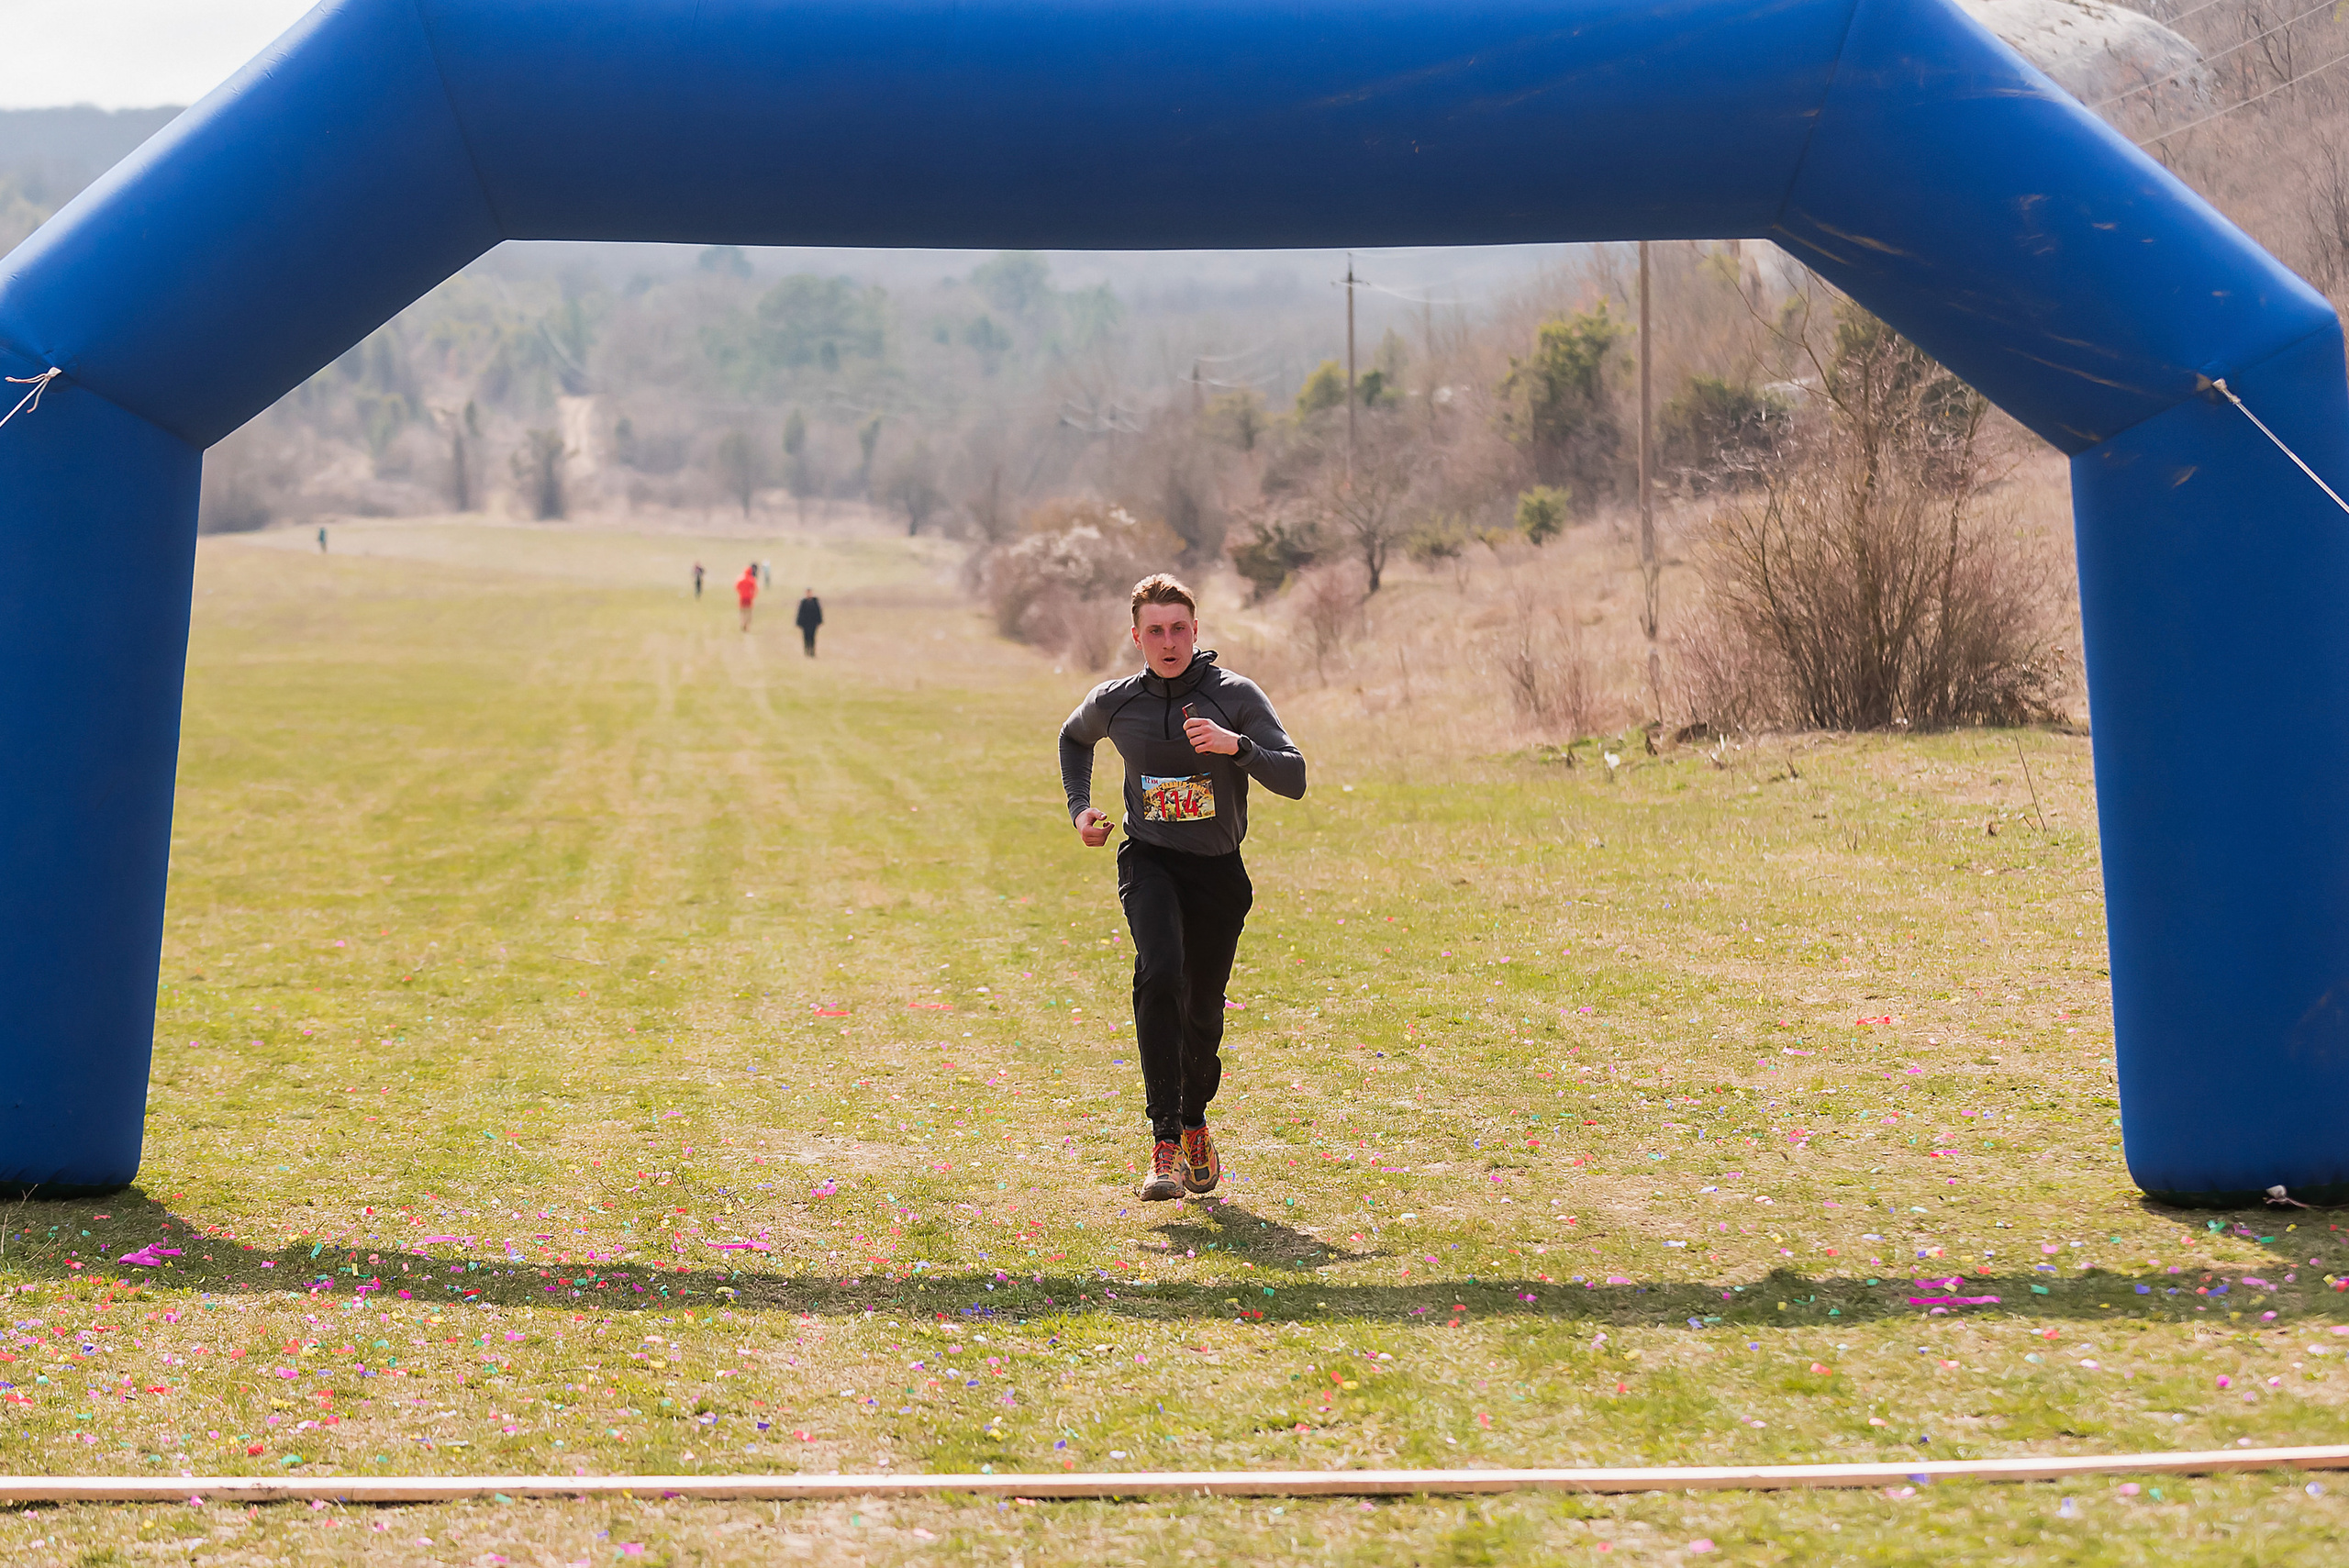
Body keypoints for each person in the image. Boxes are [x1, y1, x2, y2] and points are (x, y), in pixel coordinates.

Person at [1059, 573, 1307, 1201]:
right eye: (1155, 631)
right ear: (1136, 636)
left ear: (1195, 631)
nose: (1168, 642)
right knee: (1160, 971)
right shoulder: (1116, 700)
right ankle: (1164, 1138)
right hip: (1149, 861)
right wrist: (1080, 808)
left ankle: (1195, 1117)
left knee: (1202, 1009)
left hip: (1218, 872)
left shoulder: (1234, 696)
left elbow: (1295, 775)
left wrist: (1237, 746)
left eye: (1178, 629)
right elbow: (1073, 737)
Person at [795, 587, 823, 657]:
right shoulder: (803, 602)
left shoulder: (815, 601)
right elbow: (800, 613)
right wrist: (799, 622)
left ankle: (812, 651)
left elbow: (818, 612)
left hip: (813, 623)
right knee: (806, 637)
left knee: (812, 637)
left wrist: (819, 621)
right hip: (805, 623)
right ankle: (807, 651)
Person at [736, 563, 759, 631]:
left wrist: (740, 592)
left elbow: (736, 587)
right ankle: (747, 624)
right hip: (749, 598)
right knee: (749, 612)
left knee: (742, 611)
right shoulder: (751, 579)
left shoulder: (740, 579)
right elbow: (756, 589)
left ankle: (742, 623)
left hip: (742, 598)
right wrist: (753, 596)